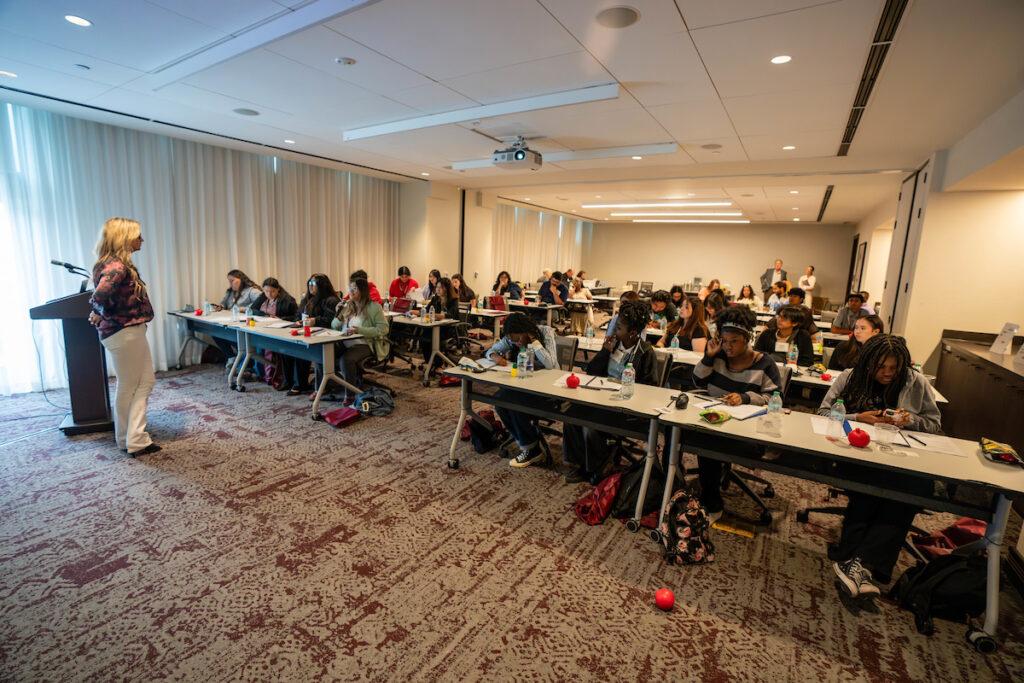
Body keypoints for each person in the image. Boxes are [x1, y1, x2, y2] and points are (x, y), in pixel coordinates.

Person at [818, 335, 940, 598]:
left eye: (894, 368)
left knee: (912, 489)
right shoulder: (850, 378)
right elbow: (821, 413)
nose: (888, 373)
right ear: (868, 363)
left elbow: (934, 423)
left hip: (897, 457)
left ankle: (853, 560)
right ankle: (868, 564)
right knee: (874, 488)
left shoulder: (914, 381)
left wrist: (910, 421)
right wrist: (856, 417)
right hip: (854, 453)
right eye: (881, 367)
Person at [693, 306, 782, 522]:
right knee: (676, 432)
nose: (728, 346)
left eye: (734, 341)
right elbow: (697, 382)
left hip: (747, 429)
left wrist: (746, 398)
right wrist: (708, 357)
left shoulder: (765, 364)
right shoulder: (718, 356)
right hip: (714, 418)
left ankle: (712, 503)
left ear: (747, 339)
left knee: (708, 445)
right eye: (724, 340)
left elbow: (775, 399)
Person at [562, 301, 657, 484]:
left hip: (625, 406)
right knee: (571, 416)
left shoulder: (645, 352)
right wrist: (605, 352)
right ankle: (578, 464)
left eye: (618, 327)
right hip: (601, 397)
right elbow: (592, 370)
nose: (613, 331)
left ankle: (597, 469)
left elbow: (650, 388)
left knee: (590, 428)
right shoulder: (612, 344)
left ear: (631, 332)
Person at [88, 217, 159, 457]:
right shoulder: (117, 266)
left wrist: (97, 313)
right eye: (137, 235)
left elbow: (101, 298)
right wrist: (96, 312)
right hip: (124, 332)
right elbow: (99, 296)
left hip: (125, 332)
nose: (141, 239)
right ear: (124, 238)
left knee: (144, 382)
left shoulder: (110, 264)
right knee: (132, 385)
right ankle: (135, 440)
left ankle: (127, 438)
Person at [485, 313, 558, 467]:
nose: (516, 344)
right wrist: (494, 356)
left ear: (527, 331)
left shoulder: (545, 332)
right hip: (524, 384)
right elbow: (491, 350)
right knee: (499, 399)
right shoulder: (512, 337)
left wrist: (534, 342)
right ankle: (529, 445)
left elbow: (551, 364)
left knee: (513, 403)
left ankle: (531, 449)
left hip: (547, 388)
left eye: (518, 340)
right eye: (512, 341)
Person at [332, 277, 390, 401]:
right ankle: (322, 387)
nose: (350, 291)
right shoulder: (347, 305)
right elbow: (334, 326)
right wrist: (339, 315)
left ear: (362, 291)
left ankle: (351, 394)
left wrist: (360, 330)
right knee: (321, 353)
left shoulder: (374, 307)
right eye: (349, 288)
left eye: (354, 288)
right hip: (344, 341)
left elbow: (384, 329)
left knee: (345, 360)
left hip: (364, 344)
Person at [288, 274, 341, 396]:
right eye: (309, 284)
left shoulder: (331, 300)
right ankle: (293, 381)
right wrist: (297, 321)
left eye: (314, 284)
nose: (310, 287)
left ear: (322, 286)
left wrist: (315, 320)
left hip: (325, 336)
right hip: (307, 333)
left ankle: (300, 384)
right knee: (291, 347)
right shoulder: (307, 299)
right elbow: (298, 314)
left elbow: (332, 321)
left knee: (300, 349)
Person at [249, 277, 299, 388]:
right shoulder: (263, 296)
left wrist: (280, 318)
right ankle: (262, 374)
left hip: (279, 331)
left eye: (272, 291)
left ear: (278, 290)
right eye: (266, 291)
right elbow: (253, 309)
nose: (269, 294)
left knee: (267, 349)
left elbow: (296, 317)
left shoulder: (287, 300)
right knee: (254, 346)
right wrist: (265, 316)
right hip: (263, 328)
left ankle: (272, 376)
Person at [211, 269, 263, 361]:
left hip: (245, 325)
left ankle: (245, 360)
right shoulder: (230, 292)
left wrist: (243, 308)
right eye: (229, 281)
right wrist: (220, 307)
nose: (230, 284)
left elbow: (261, 303)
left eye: (232, 281)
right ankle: (231, 358)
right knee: (216, 333)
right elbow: (224, 304)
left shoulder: (251, 291)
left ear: (241, 279)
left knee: (230, 338)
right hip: (232, 323)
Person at [420, 276, 460, 374]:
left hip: (448, 330)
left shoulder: (453, 300)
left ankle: (438, 364)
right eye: (437, 287)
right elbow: (427, 309)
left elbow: (450, 315)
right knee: (423, 337)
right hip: (435, 327)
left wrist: (434, 315)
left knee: (433, 338)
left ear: (447, 289)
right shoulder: (435, 299)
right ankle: (430, 361)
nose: (437, 289)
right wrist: (416, 312)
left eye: (440, 287)